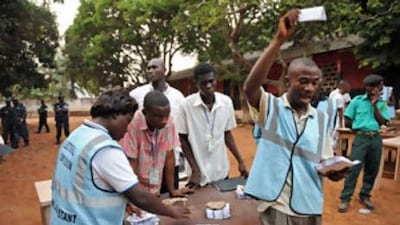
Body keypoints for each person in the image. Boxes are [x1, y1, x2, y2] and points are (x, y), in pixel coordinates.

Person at [243, 9, 347, 225]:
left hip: (309, 204)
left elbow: (324, 160)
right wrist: (279, 40)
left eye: (315, 82)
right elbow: (250, 88)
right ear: (289, 81)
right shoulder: (272, 108)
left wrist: (333, 172)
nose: (310, 88)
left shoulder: (320, 119)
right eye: (303, 81)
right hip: (277, 205)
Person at [50, 88, 190, 225]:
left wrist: (126, 200)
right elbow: (140, 196)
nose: (128, 128)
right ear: (115, 115)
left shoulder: (77, 135)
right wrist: (172, 211)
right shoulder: (105, 150)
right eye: (128, 121)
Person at [176, 62, 248, 188]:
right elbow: (182, 138)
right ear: (196, 83)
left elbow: (227, 134)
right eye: (203, 83)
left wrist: (240, 161)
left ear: (216, 80)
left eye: (211, 81)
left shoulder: (226, 102)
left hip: (220, 170)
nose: (209, 86)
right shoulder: (186, 106)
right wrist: (195, 169)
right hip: (197, 175)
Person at [120, 91, 193, 197]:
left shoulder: (169, 122)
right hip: (136, 188)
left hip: (156, 186)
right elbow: (132, 162)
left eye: (166, 116)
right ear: (145, 113)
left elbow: (169, 155)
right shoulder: (133, 124)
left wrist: (172, 190)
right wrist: (138, 196)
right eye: (158, 116)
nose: (164, 121)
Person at [130, 57, 185, 192]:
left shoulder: (178, 97)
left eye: (155, 67)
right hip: (141, 164)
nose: (150, 70)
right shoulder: (136, 95)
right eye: (148, 68)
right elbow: (132, 159)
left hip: (167, 163)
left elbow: (172, 148)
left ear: (164, 70)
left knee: (166, 199)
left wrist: (172, 190)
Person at [338, 74, 390, 213]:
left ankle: (365, 195)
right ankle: (345, 198)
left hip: (376, 138)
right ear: (370, 87)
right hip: (361, 138)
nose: (379, 89)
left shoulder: (382, 103)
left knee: (372, 168)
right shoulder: (357, 101)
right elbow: (348, 119)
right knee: (353, 168)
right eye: (378, 86)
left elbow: (383, 122)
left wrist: (374, 106)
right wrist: (357, 128)